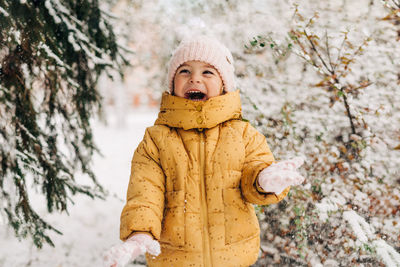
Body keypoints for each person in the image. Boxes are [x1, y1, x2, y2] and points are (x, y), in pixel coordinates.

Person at [103, 35, 305, 267]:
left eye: (207, 72)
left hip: (234, 259)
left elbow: (253, 179)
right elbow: (145, 194)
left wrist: (263, 180)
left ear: (224, 84)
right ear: (172, 84)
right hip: (174, 260)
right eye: (185, 71)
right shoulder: (156, 140)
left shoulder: (243, 134)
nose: (194, 79)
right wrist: (139, 235)